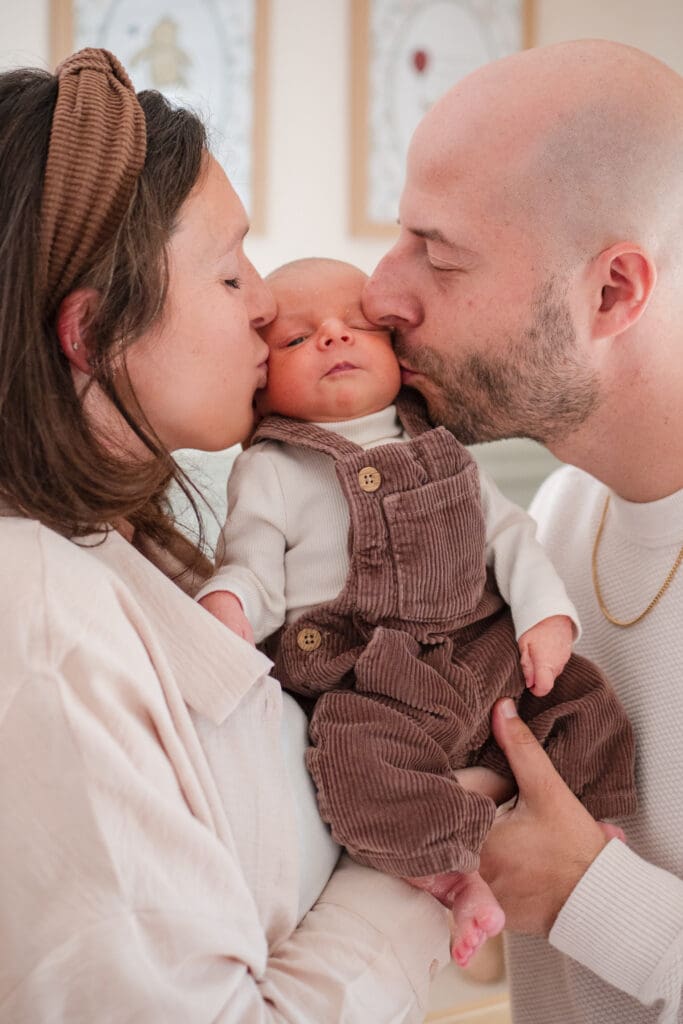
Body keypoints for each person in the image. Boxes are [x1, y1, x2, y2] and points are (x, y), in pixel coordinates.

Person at [0, 48, 454, 1022]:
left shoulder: (120, 547)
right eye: (227, 271)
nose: (266, 303)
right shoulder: (39, 645)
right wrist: (420, 859)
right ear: (89, 335)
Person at [362, 37, 683, 1024]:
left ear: (610, 293)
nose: (379, 290)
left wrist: (591, 894)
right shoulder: (548, 522)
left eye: (438, 253)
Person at [197, 255, 635, 967]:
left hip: (479, 648)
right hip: (366, 675)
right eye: (297, 339)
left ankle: (586, 826)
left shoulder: (441, 448)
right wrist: (227, 602)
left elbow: (505, 534)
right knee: (351, 762)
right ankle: (452, 876)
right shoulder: (271, 469)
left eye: (358, 326)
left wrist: (544, 617)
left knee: (582, 702)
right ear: (260, 378)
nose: (333, 339)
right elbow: (251, 566)